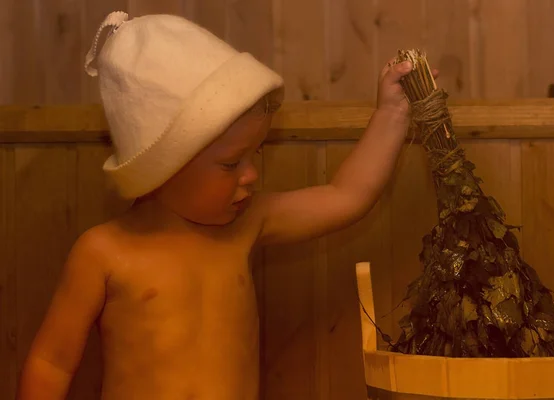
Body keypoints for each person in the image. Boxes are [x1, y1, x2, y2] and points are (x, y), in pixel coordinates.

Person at [17, 10, 437, 400]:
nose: (252, 175)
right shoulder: (103, 251)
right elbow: (50, 362)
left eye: (255, 155)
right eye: (231, 163)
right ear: (163, 167)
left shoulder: (247, 223)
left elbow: (346, 196)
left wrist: (392, 115)